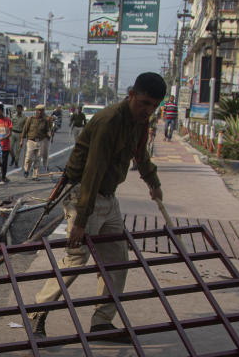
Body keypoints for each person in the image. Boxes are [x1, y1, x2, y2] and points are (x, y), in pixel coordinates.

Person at [28, 72, 166, 340]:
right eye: (144, 103)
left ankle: (102, 321)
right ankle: (37, 312)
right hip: (84, 193)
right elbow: (93, 170)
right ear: (132, 96)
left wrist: (153, 181)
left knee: (117, 261)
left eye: (154, 105)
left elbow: (140, 153)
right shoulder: (109, 121)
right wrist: (80, 221)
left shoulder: (140, 121)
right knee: (76, 259)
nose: (148, 110)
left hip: (108, 197)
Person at [22, 104, 52, 180]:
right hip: (31, 141)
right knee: (29, 158)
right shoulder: (30, 119)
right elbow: (25, 129)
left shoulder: (45, 121)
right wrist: (22, 140)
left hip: (40, 141)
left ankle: (35, 175)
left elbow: (47, 130)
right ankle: (26, 170)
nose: (40, 112)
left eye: (42, 111)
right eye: (39, 110)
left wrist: (49, 135)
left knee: (38, 159)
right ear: (36, 111)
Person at [0, 104, 13, 183]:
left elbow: (9, 133)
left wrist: (2, 138)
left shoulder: (7, 120)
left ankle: (3, 177)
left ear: (1, 111)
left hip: (5, 146)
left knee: (4, 162)